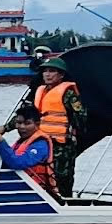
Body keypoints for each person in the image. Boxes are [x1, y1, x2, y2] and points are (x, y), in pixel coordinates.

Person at [31, 56, 87, 197]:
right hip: (42, 143)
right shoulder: (40, 91)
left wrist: (75, 133)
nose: (47, 74)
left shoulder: (68, 93)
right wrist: (5, 128)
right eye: (45, 71)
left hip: (62, 146)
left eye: (52, 71)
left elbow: (81, 117)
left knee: (62, 179)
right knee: (40, 175)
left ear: (61, 75)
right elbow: (28, 116)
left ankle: (66, 203)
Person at [0, 104, 56, 195]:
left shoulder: (40, 145)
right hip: (20, 187)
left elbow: (18, 163)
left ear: (37, 124)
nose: (22, 127)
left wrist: (1, 141)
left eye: (27, 123)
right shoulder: (22, 141)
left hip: (36, 191)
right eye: (19, 123)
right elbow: (8, 158)